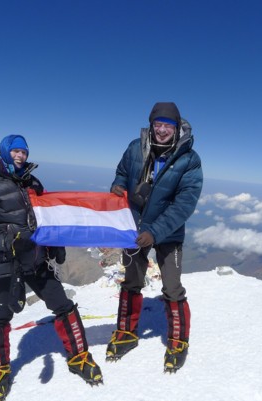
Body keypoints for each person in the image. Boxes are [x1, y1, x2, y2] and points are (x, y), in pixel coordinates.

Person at [0, 135, 103, 400]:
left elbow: (46, 219)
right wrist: (10, 241)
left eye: (24, 152)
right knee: (0, 316)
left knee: (64, 306)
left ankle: (79, 356)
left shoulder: (32, 182)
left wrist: (55, 244)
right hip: (3, 262)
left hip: (37, 260)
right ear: (4, 152)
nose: (20, 156)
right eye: (15, 151)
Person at [107, 102, 203, 373]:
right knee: (132, 281)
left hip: (168, 234)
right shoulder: (135, 148)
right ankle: (126, 332)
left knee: (172, 287)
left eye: (167, 126)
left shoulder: (189, 159)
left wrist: (155, 232)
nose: (161, 130)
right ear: (151, 125)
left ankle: (178, 340)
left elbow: (184, 203)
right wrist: (117, 186)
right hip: (135, 229)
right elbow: (123, 173)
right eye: (157, 125)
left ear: (176, 128)